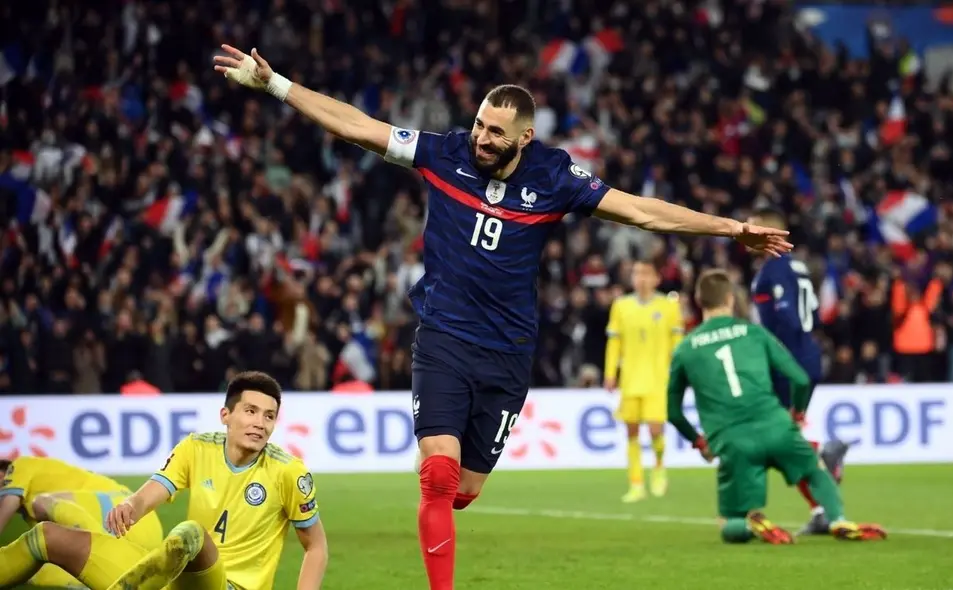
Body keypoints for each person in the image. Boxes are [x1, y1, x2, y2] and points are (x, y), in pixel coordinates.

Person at [212, 44, 792, 590]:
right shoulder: (443, 153)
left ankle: (441, 483)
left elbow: (642, 212)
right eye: (480, 125)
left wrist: (731, 228)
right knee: (438, 477)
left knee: (461, 490)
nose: (482, 139)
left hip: (509, 352)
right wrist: (279, 86)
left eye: (496, 133)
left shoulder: (555, 177)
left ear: (525, 137)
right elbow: (358, 125)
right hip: (443, 336)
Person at [666, 269, 886, 544]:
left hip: (732, 440)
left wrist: (700, 443)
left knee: (730, 520)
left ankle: (750, 526)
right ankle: (838, 519)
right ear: (730, 299)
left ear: (699, 300)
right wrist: (796, 414)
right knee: (815, 471)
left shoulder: (685, 349)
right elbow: (800, 379)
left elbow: (673, 413)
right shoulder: (754, 333)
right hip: (775, 424)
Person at [100, 370, 327, 590]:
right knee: (69, 542)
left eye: (269, 416)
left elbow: (316, 546)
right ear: (225, 415)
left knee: (191, 533)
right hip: (190, 582)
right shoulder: (196, 448)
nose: (260, 423)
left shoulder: (288, 471)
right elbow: (152, 491)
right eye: (250, 411)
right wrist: (131, 506)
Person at [748, 207, 850, 535]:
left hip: (788, 361)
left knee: (775, 438)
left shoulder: (774, 268)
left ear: (770, 232)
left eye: (752, 227)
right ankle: (820, 508)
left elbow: (788, 316)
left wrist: (777, 359)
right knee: (783, 437)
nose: (745, 232)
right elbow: (816, 317)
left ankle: (822, 455)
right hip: (807, 353)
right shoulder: (798, 266)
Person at [0, 456, 164, 588]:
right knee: (41, 565)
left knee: (41, 503)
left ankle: (104, 550)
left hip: (127, 512)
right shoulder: (33, 515)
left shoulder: (19, 467)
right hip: (138, 535)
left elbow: (8, 505)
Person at [603, 258, 685, 502]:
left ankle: (659, 467)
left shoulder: (669, 306)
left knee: (655, 429)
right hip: (630, 379)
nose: (640, 278)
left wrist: (678, 372)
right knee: (631, 432)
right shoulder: (621, 306)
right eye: (636, 273)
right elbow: (614, 342)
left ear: (656, 278)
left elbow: (677, 343)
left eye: (646, 273)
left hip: (658, 379)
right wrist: (610, 373)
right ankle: (636, 483)